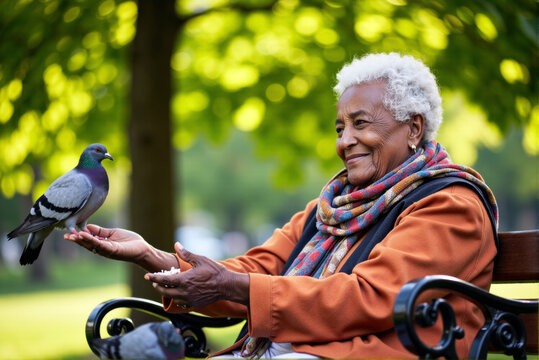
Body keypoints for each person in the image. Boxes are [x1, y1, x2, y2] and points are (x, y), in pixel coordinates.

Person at [66, 52, 498, 359]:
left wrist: (233, 287)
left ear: (414, 128)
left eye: (360, 123)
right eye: (340, 126)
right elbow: (255, 271)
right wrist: (150, 254)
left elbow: (370, 297)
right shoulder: (328, 208)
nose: (343, 141)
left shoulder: (449, 204)